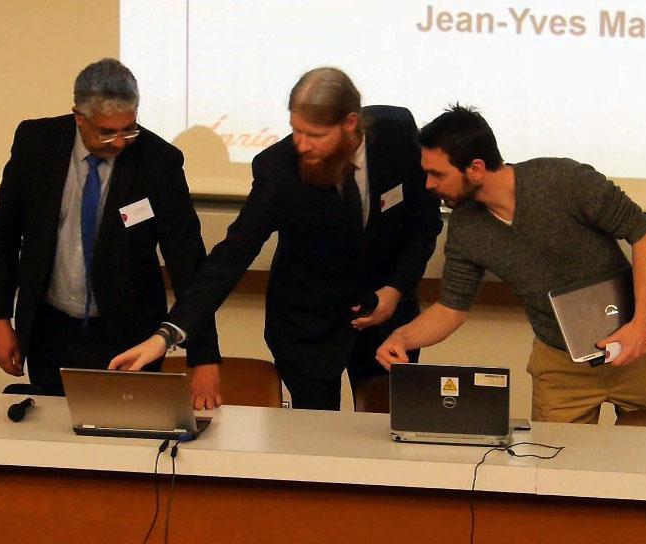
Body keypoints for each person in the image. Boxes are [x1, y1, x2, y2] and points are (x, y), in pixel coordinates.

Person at [110, 68, 442, 410]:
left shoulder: (398, 136)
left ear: (350, 123)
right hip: (307, 327)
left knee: (387, 430)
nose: (302, 144)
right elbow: (232, 255)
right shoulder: (279, 169)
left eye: (314, 134)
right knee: (315, 441)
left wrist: (396, 288)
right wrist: (167, 335)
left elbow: (425, 222)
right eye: (296, 130)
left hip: (387, 323)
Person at [376, 104, 646, 423]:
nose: (428, 185)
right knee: (550, 468)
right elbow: (451, 309)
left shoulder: (564, 180)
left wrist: (642, 324)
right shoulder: (466, 227)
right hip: (560, 365)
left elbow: (644, 233)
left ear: (476, 168)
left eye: (437, 174)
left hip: (636, 350)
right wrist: (403, 337)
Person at [0, 58, 221, 406]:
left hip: (130, 336)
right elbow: (3, 235)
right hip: (49, 330)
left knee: (125, 446)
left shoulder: (159, 162)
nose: (121, 142)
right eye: (107, 132)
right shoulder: (36, 144)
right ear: (79, 116)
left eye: (129, 129)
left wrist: (203, 357)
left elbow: (188, 261)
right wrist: (0, 319)